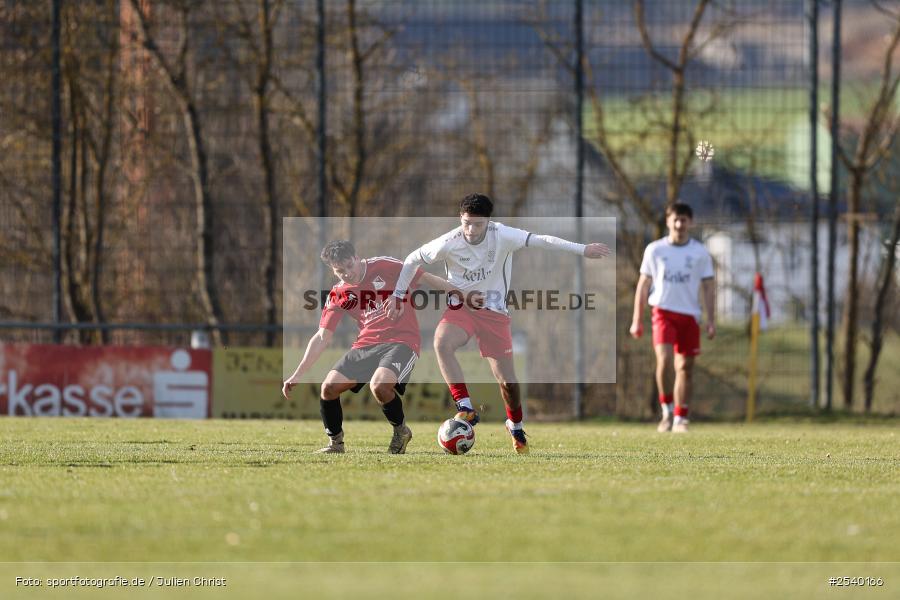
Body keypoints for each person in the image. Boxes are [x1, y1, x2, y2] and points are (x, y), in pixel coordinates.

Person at [387, 193, 610, 454]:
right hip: (462, 307)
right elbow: (412, 259)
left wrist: (582, 249)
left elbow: (542, 240)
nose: (470, 230)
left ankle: (515, 425)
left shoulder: (502, 235)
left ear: (488, 222)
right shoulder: (449, 242)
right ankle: (465, 408)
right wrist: (397, 295)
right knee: (441, 343)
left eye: (477, 224)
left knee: (508, 383)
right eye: (466, 223)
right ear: (461, 219)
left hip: (494, 313)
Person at [282, 240, 461, 454]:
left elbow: (425, 277)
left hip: (401, 341)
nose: (347, 273)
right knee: (328, 388)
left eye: (349, 266)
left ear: (357, 257)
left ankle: (400, 430)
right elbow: (322, 336)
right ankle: (336, 444)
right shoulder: (338, 294)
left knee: (379, 385)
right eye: (340, 271)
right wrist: (298, 374)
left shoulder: (385, 266)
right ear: (332, 269)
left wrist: (460, 294)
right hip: (365, 344)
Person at [629, 202, 716, 433]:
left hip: (689, 315)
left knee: (685, 367)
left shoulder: (700, 253)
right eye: (675, 219)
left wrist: (711, 320)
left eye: (684, 220)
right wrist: (636, 319)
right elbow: (643, 284)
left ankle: (680, 417)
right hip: (662, 312)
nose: (679, 224)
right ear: (668, 222)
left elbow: (708, 286)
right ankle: (666, 411)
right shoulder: (655, 250)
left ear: (691, 222)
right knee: (665, 360)